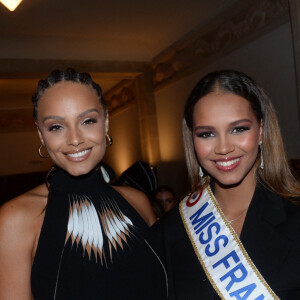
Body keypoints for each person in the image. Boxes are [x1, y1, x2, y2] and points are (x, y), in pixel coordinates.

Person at [0, 69, 167, 300]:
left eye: (88, 121)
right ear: (41, 134)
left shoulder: (137, 201)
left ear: (105, 122)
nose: (75, 139)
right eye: (56, 127)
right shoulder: (15, 219)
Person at [159, 70, 300, 299]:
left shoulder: (295, 217)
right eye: (206, 134)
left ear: (261, 130)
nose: (223, 148)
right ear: (192, 139)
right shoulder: (169, 231)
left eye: (239, 129)